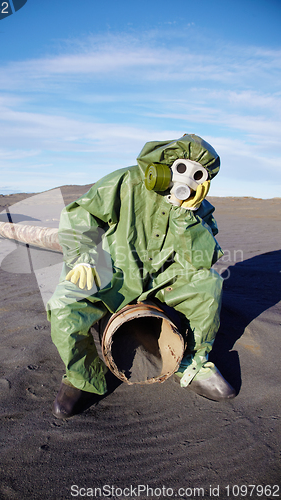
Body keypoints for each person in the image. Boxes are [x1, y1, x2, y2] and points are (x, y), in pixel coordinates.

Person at [46, 133, 236, 418]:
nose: (186, 179)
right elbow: (80, 215)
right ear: (164, 163)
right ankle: (84, 380)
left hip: (165, 279)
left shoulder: (198, 209)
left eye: (197, 174)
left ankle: (190, 364)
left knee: (208, 287)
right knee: (64, 304)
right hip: (115, 274)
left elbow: (203, 258)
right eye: (181, 168)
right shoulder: (125, 182)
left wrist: (187, 215)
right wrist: (81, 256)